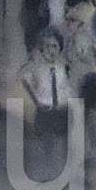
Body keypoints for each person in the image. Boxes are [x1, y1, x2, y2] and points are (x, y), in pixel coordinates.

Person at [61, 0, 96, 168]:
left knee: (91, 117)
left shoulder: (77, 16)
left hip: (89, 77)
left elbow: (76, 53)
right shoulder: (95, 16)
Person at [19, 27, 74, 175]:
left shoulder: (63, 66)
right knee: (46, 143)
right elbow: (23, 76)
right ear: (42, 48)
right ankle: (48, 170)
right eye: (47, 46)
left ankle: (64, 172)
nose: (51, 50)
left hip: (62, 109)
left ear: (59, 48)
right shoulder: (36, 66)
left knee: (64, 142)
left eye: (54, 46)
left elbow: (69, 84)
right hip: (45, 110)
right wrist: (36, 99)